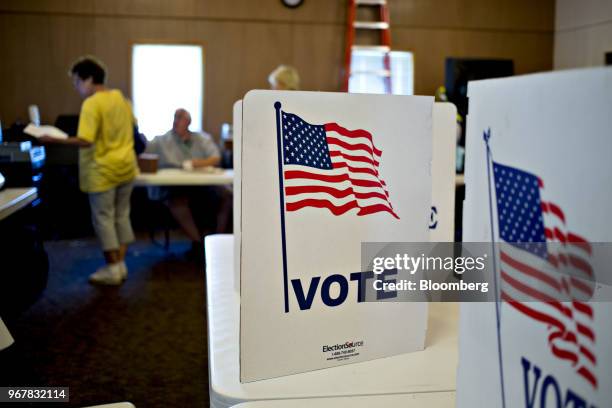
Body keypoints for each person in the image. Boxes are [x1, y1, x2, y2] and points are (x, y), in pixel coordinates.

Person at [40, 56, 138, 285]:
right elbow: (134, 126)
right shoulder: (121, 99)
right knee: (122, 215)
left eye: (76, 82)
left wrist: (55, 139)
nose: (76, 88)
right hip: (126, 166)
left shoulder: (92, 103)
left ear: (89, 79)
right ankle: (121, 265)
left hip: (102, 170)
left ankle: (112, 268)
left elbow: (86, 140)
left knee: (103, 219)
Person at [145, 109, 231, 258]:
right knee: (176, 201)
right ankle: (198, 244)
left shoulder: (202, 139)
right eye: (175, 118)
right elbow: (146, 157)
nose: (176, 121)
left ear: (189, 122)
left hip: (202, 184)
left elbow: (215, 157)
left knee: (227, 195)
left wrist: (195, 164)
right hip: (174, 186)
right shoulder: (161, 141)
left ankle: (218, 240)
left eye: (180, 118)